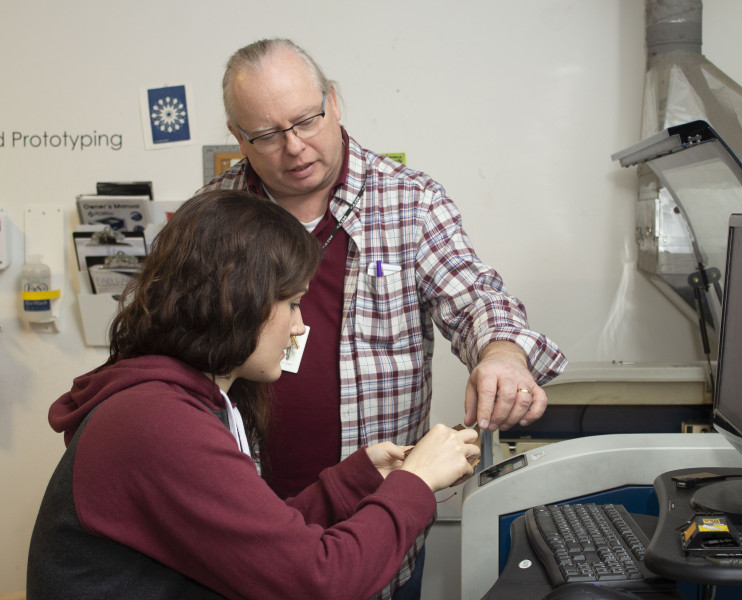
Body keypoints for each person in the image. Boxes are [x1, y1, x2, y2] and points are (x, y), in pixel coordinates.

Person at [199, 38, 567, 598]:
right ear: (238, 138)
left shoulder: (409, 203)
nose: (295, 147)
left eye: (306, 120)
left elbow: (476, 298)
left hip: (379, 521)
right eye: (269, 135)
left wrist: (503, 355)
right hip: (248, 525)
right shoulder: (212, 218)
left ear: (335, 102)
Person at [26, 190, 481, 600]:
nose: (300, 326)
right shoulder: (157, 423)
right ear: (236, 299)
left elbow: (256, 540)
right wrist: (415, 483)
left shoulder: (181, 400)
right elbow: (321, 581)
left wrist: (360, 477)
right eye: (292, 304)